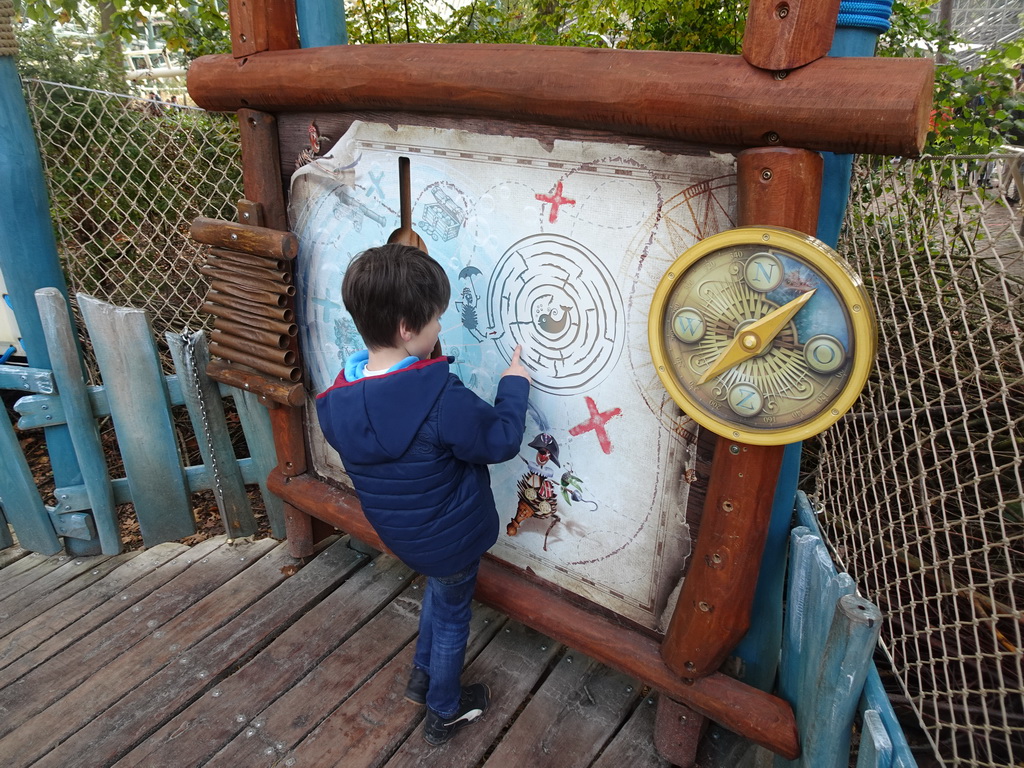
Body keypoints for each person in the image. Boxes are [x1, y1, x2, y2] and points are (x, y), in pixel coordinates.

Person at [315, 243, 532, 745]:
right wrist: (514, 386)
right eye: (436, 320)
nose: (441, 329)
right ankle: (444, 708)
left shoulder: (338, 396)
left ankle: (422, 674)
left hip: (403, 533)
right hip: (452, 539)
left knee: (440, 586)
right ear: (408, 329)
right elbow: (498, 440)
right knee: (454, 610)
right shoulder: (440, 397)